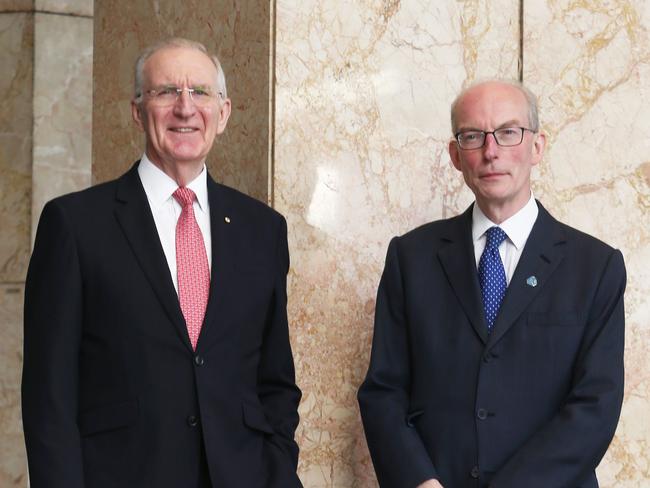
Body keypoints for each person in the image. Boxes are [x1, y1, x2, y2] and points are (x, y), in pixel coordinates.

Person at [22, 37, 302, 488]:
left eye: (201, 93)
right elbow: (48, 398)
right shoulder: (75, 225)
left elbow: (275, 382)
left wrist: (276, 468)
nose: (185, 109)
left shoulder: (262, 229)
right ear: (137, 110)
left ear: (224, 113)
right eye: (167, 91)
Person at [358, 79, 626, 488]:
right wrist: (419, 481)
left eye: (508, 132)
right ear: (454, 155)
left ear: (537, 146)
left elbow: (595, 407)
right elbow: (383, 391)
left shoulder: (595, 267)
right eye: (472, 136)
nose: (491, 151)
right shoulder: (411, 258)